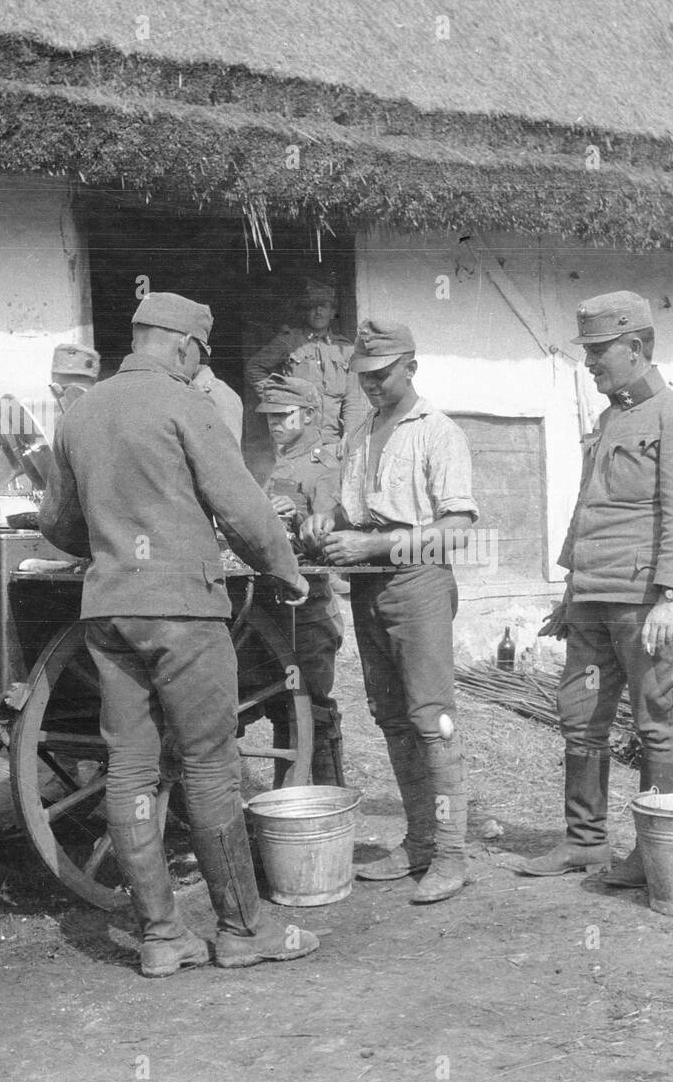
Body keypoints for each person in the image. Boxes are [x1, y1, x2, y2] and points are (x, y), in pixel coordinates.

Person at [39, 291, 320, 977]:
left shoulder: (81, 414)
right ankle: (242, 933)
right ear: (187, 347)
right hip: (183, 612)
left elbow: (60, 525)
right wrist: (284, 571)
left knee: (130, 769)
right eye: (201, 356)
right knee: (209, 768)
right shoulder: (186, 404)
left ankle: (162, 937)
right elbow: (243, 507)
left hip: (108, 613)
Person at [519, 291, 673, 885]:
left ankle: (655, 854)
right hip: (595, 601)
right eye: (588, 351)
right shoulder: (608, 420)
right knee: (581, 719)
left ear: (636, 347)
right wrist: (572, 588)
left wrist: (672, 596)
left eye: (600, 351)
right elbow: (589, 509)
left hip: (648, 604)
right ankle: (585, 843)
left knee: (657, 725)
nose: (591, 363)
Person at [301, 319, 477, 904]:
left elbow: (455, 534)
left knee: (434, 720)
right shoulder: (361, 431)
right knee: (392, 719)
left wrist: (373, 545)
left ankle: (452, 853)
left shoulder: (438, 431)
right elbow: (356, 512)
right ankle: (421, 839)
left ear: (410, 367)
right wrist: (328, 520)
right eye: (364, 377)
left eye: (382, 374)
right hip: (370, 590)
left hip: (418, 585)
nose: (373, 385)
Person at [255, 375, 345, 784]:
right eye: (269, 417)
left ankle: (331, 803)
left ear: (308, 416)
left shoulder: (323, 468)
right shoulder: (279, 463)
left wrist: (298, 519)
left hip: (311, 610)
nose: (274, 424)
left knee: (314, 708)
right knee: (283, 707)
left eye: (283, 416)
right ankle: (286, 803)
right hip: (279, 605)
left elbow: (331, 538)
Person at [245, 278, 368, 448]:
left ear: (332, 312)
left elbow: (352, 399)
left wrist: (349, 436)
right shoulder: (289, 341)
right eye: (312, 306)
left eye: (323, 306)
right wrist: (276, 399)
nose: (318, 312)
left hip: (332, 441)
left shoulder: (345, 349)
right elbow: (255, 367)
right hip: (294, 438)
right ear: (305, 311)